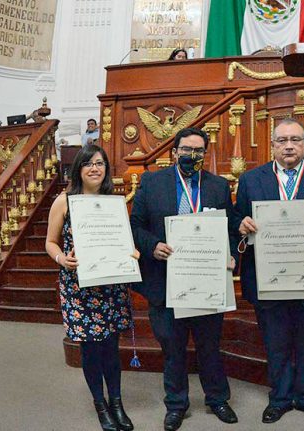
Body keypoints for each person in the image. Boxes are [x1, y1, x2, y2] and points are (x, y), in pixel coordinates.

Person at [130, 128, 240, 431]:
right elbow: (135, 225)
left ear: (206, 153)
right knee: (173, 348)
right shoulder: (152, 182)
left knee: (209, 346)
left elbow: (229, 229)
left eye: (198, 150)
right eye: (186, 149)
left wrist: (231, 254)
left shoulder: (218, 186)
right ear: (174, 151)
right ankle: (176, 404)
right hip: (165, 281)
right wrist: (152, 246)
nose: (192, 155)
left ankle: (217, 398)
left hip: (206, 280)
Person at [235, 118, 304, 424]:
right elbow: (236, 220)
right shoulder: (252, 180)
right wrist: (242, 226)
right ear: (273, 146)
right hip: (270, 279)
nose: (289, 146)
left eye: (295, 140)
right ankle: (278, 398)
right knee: (275, 342)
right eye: (282, 140)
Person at [45, 144, 135, 431]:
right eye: (88, 163)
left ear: (106, 168)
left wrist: (131, 254)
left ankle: (117, 404)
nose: (95, 168)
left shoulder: (114, 201)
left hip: (110, 286)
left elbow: (123, 241)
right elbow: (50, 242)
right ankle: (101, 405)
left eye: (100, 163)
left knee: (111, 346)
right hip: (79, 287)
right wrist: (62, 258)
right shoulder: (64, 201)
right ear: (78, 169)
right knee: (90, 350)